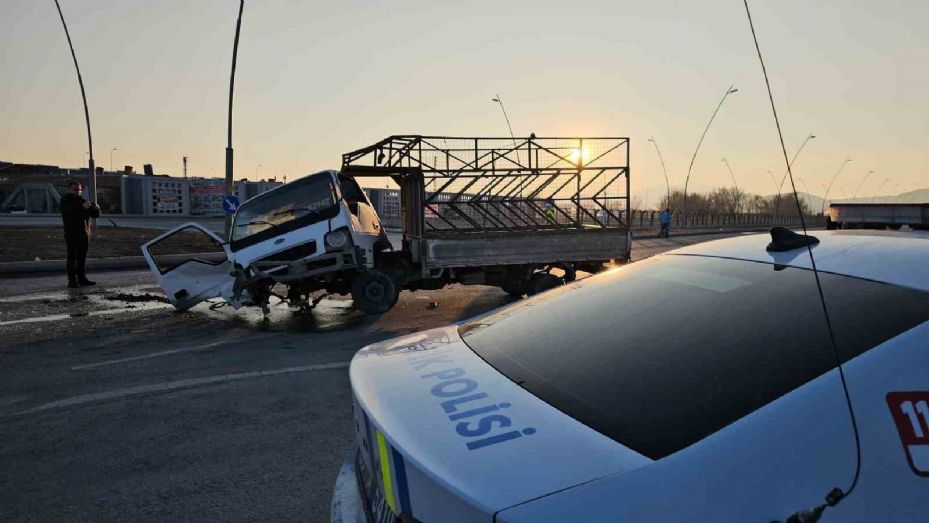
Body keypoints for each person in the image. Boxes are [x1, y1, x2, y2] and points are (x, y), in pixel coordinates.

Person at [59, 180, 100, 288]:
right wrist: (83, 208)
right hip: (72, 233)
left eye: (79, 189)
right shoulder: (65, 200)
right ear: (70, 189)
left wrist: (96, 208)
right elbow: (71, 213)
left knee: (82, 257)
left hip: (84, 233)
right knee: (72, 257)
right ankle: (72, 280)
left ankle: (82, 278)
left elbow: (95, 215)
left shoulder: (82, 201)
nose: (78, 191)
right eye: (75, 189)